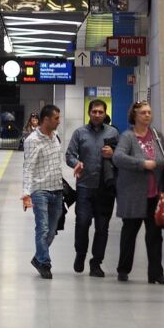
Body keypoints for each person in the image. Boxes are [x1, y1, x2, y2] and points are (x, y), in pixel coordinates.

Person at [112, 101, 164, 284]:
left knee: (155, 235)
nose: (148, 115)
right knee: (129, 233)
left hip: (155, 193)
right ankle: (123, 270)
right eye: (144, 113)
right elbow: (118, 157)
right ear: (135, 115)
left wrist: (163, 163)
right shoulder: (128, 137)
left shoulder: (156, 135)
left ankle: (156, 274)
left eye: (149, 112)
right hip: (133, 195)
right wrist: (141, 164)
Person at [65, 99, 119, 277]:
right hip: (84, 187)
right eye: (94, 112)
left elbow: (123, 156)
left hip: (105, 189)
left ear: (105, 114)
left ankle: (96, 262)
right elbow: (69, 154)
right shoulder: (79, 133)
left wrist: (114, 153)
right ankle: (80, 253)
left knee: (102, 227)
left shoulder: (114, 133)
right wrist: (76, 163)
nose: (97, 115)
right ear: (89, 113)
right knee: (82, 223)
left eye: (100, 112)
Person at [22, 105, 64, 279]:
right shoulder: (32, 140)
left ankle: (39, 258)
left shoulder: (56, 138)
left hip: (57, 190)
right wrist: (26, 193)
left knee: (52, 230)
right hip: (40, 191)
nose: (59, 121)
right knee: (43, 228)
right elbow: (28, 168)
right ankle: (45, 263)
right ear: (46, 119)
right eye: (56, 118)